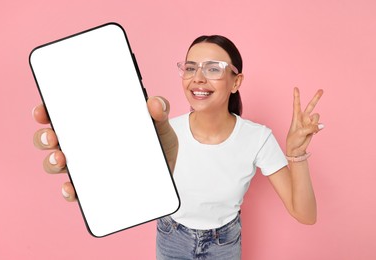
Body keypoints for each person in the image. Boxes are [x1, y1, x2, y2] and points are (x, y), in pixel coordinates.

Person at [33, 35, 323, 260]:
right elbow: (129, 186)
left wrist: (297, 154)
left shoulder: (257, 138)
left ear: (236, 81)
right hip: (171, 236)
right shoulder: (165, 132)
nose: (198, 77)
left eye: (213, 69)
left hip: (225, 244)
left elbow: (305, 214)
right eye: (190, 67)